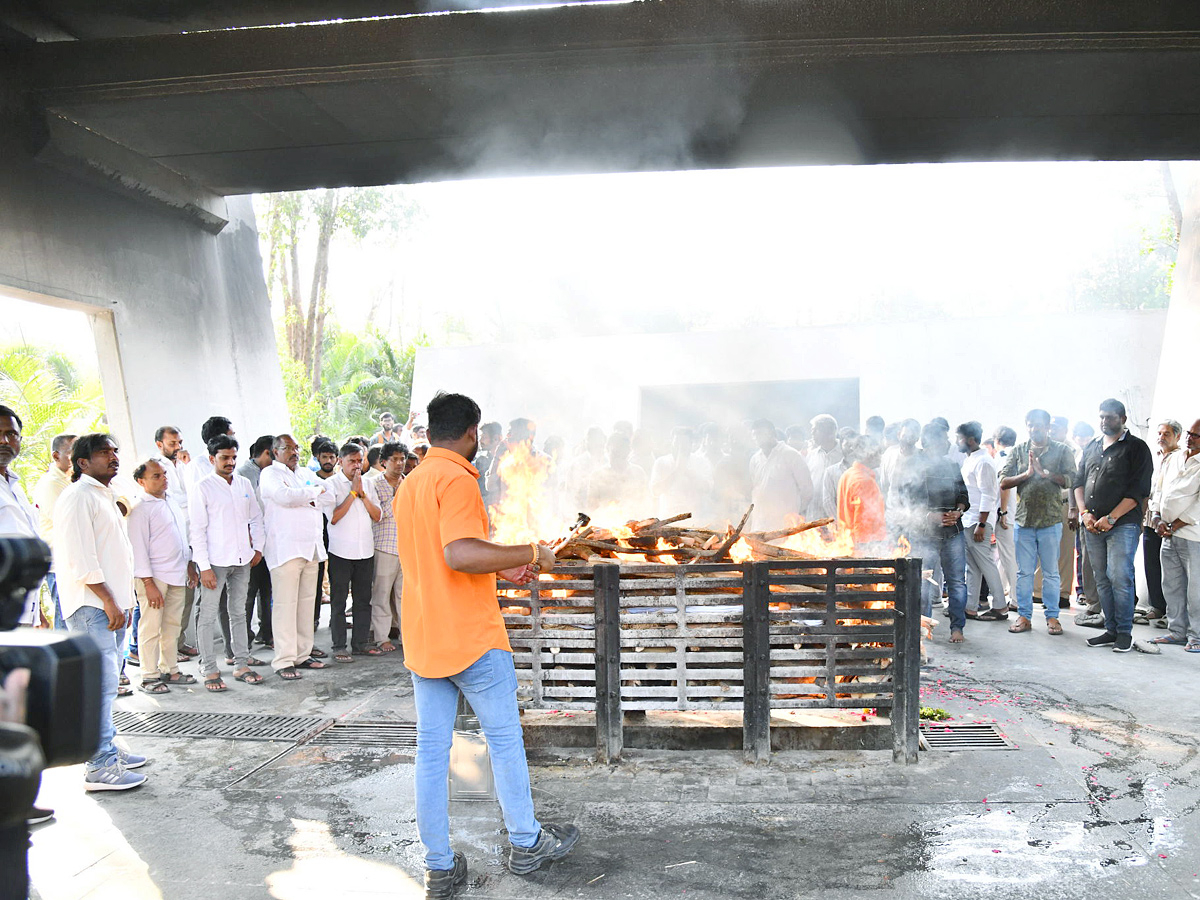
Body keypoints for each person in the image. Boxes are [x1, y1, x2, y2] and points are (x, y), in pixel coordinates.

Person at [395, 392, 578, 895]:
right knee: (503, 740)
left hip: (425, 635)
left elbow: (438, 558)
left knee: (431, 754)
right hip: (472, 638)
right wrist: (532, 552)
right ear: (472, 432)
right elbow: (458, 553)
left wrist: (499, 563)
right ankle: (526, 842)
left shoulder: (411, 483)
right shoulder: (456, 478)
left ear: (431, 431)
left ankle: (438, 865)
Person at [53, 433, 147, 790]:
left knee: (110, 683)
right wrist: (108, 599)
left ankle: (108, 748)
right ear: (82, 462)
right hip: (94, 606)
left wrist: (122, 600)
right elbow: (81, 557)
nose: (114, 456)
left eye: (115, 450)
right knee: (100, 686)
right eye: (104, 451)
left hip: (112, 605)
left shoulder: (102, 495)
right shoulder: (77, 498)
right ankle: (99, 766)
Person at [1074, 399, 1153, 652]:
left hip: (1122, 525)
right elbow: (1078, 483)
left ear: (1123, 419)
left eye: (1110, 417)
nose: (1104, 421)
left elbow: (1138, 491)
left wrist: (1111, 518)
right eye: (1101, 417)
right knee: (1102, 578)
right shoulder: (1092, 447)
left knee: (1121, 577)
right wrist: (1084, 513)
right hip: (1092, 524)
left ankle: (1124, 633)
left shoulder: (1136, 448)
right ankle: (1110, 629)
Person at [188, 435, 266, 691]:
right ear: (212, 459)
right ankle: (209, 668)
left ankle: (241, 664)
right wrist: (204, 566)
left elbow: (256, 518)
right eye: (224, 458)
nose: (230, 462)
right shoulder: (203, 487)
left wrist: (258, 548)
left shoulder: (243, 483)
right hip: (215, 563)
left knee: (239, 612)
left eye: (233, 457)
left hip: (243, 560)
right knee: (208, 616)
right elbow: (197, 530)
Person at [260, 434, 335, 680]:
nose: (294, 452)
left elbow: (329, 496)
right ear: (275, 451)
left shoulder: (303, 474)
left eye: (296, 448)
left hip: (311, 547)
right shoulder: (270, 474)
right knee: (285, 605)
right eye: (288, 448)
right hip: (286, 549)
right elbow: (284, 497)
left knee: (306, 604)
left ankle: (303, 654)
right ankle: (283, 660)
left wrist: (305, 495)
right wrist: (311, 494)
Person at [999, 409, 1076, 636]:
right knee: (1023, 573)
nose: (1036, 428)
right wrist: (1027, 474)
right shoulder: (1019, 451)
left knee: (1051, 573)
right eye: (1031, 424)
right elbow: (1003, 481)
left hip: (1051, 521)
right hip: (1023, 522)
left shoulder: (1062, 450)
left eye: (1040, 425)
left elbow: (1072, 478)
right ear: (1027, 425)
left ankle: (1052, 618)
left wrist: (1046, 474)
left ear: (1048, 426)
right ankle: (1024, 617)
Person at [126, 459, 197, 693]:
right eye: (156, 476)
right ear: (141, 481)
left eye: (164, 474)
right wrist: (148, 583)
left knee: (172, 625)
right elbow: (137, 548)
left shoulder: (171, 501)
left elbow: (182, 536)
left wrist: (189, 566)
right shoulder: (139, 509)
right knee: (150, 626)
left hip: (177, 573)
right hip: (153, 578)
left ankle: (170, 669)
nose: (163, 478)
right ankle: (149, 676)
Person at [902, 424, 970, 642]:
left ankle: (957, 628)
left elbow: (964, 495)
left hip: (953, 531)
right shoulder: (912, 466)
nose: (947, 442)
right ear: (928, 442)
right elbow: (904, 502)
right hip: (924, 534)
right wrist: (928, 516)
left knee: (957, 582)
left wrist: (958, 512)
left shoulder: (951, 465)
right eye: (942, 439)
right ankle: (924, 629)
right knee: (921, 584)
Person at [325, 441, 382, 662]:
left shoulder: (369, 484)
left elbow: (377, 515)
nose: (357, 466)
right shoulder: (331, 484)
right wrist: (352, 493)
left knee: (363, 600)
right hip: (340, 551)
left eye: (360, 461)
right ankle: (339, 645)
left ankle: (360, 643)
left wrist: (363, 494)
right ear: (341, 462)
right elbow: (334, 516)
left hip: (365, 550)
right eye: (352, 462)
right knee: (339, 601)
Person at [1149, 416, 1200, 651]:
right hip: (1167, 533)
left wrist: (1176, 524)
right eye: (1189, 433)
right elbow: (1159, 490)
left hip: (1192, 536)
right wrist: (1158, 518)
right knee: (1171, 584)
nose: (1190, 438)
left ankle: (1197, 637)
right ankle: (1177, 631)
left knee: (1196, 589)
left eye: (1196, 435)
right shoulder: (1174, 458)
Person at [956, 422, 1007, 620]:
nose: (957, 442)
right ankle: (970, 607)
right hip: (969, 520)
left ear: (970, 440)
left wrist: (982, 524)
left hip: (978, 522)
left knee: (986, 564)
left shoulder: (984, 461)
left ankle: (1001, 607)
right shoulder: (970, 459)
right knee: (974, 566)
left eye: (959, 438)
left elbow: (989, 494)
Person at [1139, 420, 1182, 625]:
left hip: (1167, 521)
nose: (1162, 437)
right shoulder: (1156, 457)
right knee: (1151, 565)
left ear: (1177, 437)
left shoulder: (1180, 458)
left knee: (1171, 572)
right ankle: (1157, 606)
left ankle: (1172, 614)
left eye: (1167, 434)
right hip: (1150, 519)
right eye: (1160, 433)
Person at [31, 433, 76, 629]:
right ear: (56, 456)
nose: (78, 458)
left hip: (75, 563)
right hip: (61, 565)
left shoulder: (73, 480)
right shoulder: (50, 484)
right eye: (72, 453)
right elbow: (69, 522)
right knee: (65, 621)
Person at [0, 407, 40, 628]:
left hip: (22, 610)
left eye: (11, 434)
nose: (4, 441)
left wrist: (37, 611)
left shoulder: (15, 486)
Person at [367, 441, 406, 651]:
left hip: (406, 547)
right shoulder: (374, 484)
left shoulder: (408, 483)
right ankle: (382, 637)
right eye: (394, 459)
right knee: (381, 594)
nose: (399, 463)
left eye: (402, 459)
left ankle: (407, 635)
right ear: (383, 462)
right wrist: (397, 500)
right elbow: (378, 515)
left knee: (405, 595)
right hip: (384, 545)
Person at [238, 435, 276, 648]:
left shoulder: (270, 472)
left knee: (267, 590)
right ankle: (245, 640)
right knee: (249, 593)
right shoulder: (244, 475)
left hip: (269, 541)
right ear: (267, 453)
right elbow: (247, 513)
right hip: (252, 544)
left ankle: (267, 632)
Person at [746, 420, 812, 532]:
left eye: (761, 434)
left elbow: (807, 490)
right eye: (755, 435)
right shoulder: (755, 459)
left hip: (784, 524)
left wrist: (794, 514)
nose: (757, 438)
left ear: (772, 434)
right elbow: (755, 488)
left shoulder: (791, 455)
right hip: (760, 523)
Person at [836, 436, 886, 555]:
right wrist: (864, 552)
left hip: (848, 543)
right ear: (868, 454)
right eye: (878, 452)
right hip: (864, 547)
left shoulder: (848, 474)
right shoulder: (864, 481)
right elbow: (862, 520)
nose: (880, 456)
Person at [586, 432, 649, 511]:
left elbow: (645, 502)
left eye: (622, 452)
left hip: (634, 520)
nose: (619, 456)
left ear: (628, 451)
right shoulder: (597, 475)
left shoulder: (638, 473)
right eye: (615, 452)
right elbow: (591, 506)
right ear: (607, 450)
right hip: (604, 520)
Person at [992, 426, 1019, 609]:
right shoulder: (1016, 455)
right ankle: (1000, 592)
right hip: (1014, 512)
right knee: (1004, 556)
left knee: (1008, 557)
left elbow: (1004, 486)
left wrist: (1002, 512)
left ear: (996, 441)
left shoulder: (1002, 458)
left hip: (1006, 514)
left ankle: (1016, 600)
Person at [806, 414, 841, 519]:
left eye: (815, 430)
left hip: (836, 517)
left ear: (829, 432)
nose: (812, 433)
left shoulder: (845, 454)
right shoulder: (811, 455)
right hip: (814, 516)